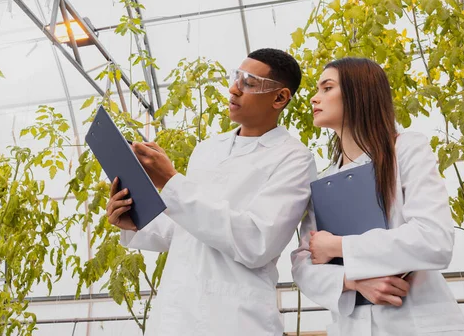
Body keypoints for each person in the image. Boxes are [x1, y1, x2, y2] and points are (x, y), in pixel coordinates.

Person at [106, 48, 317, 336]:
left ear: (279, 98)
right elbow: (185, 228)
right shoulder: (208, 149)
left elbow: (256, 242)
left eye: (249, 83)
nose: (234, 89)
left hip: (234, 319)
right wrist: (135, 221)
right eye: (236, 78)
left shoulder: (293, 158)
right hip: (175, 314)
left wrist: (170, 181)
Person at [291, 57, 464, 336]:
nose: (315, 98)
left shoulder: (407, 149)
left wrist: (338, 246)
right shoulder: (323, 179)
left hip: (418, 322)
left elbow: (435, 239)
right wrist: (351, 281)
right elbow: (303, 264)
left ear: (359, 93)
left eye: (327, 88)